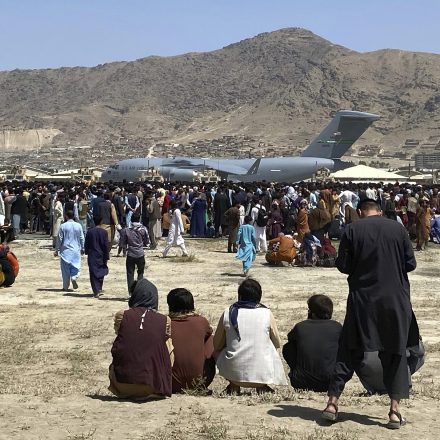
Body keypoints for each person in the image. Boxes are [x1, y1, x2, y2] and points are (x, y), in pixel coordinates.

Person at [322, 199, 419, 430]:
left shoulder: (352, 229)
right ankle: (394, 411)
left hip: (362, 300)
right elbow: (410, 264)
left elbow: (343, 265)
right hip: (395, 300)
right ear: (379, 210)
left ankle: (332, 404)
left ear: (359, 211)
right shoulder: (398, 228)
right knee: (395, 352)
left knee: (349, 348)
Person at [213, 278, 287, 394]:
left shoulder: (228, 312)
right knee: (272, 349)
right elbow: (277, 343)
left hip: (233, 374)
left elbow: (216, 345)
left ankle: (233, 385)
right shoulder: (266, 313)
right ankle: (262, 386)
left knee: (216, 351)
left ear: (240, 295)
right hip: (262, 375)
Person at [109, 279, 173, 399]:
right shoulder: (164, 320)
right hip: (151, 387)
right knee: (167, 342)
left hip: (121, 385)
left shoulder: (122, 315)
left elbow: (121, 334)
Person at [283, 295, 342, 392]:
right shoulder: (337, 327)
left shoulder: (300, 326)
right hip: (331, 382)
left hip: (301, 382)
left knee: (288, 347)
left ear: (312, 312)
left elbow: (290, 341)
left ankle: (297, 373)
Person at [167, 288, 215, 393]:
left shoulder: (165, 324)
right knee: (209, 338)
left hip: (169, 383)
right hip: (199, 382)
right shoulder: (201, 322)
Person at [356, 338, 425, 396]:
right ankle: (404, 384)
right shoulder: (402, 323)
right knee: (416, 354)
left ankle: (372, 389)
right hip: (397, 383)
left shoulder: (364, 324)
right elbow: (420, 352)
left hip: (372, 378)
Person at [118, 213, 150, 293]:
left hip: (130, 254)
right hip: (140, 253)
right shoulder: (143, 229)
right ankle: (139, 291)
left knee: (130, 274)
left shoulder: (127, 230)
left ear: (131, 219)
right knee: (140, 273)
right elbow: (147, 241)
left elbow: (122, 243)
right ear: (139, 219)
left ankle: (131, 292)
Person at [55, 210, 85, 291]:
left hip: (65, 251)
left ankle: (65, 286)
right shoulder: (78, 225)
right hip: (76, 250)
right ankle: (74, 277)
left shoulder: (63, 226)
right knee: (76, 266)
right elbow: (82, 238)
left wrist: (56, 250)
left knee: (65, 271)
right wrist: (83, 248)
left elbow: (59, 239)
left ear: (66, 216)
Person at [84, 215, 109, 298]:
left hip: (92, 254)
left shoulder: (90, 232)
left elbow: (86, 243)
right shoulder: (104, 232)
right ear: (101, 222)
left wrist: (86, 251)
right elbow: (106, 245)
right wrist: (107, 255)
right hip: (101, 254)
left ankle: (96, 290)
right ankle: (99, 288)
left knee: (93, 273)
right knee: (101, 271)